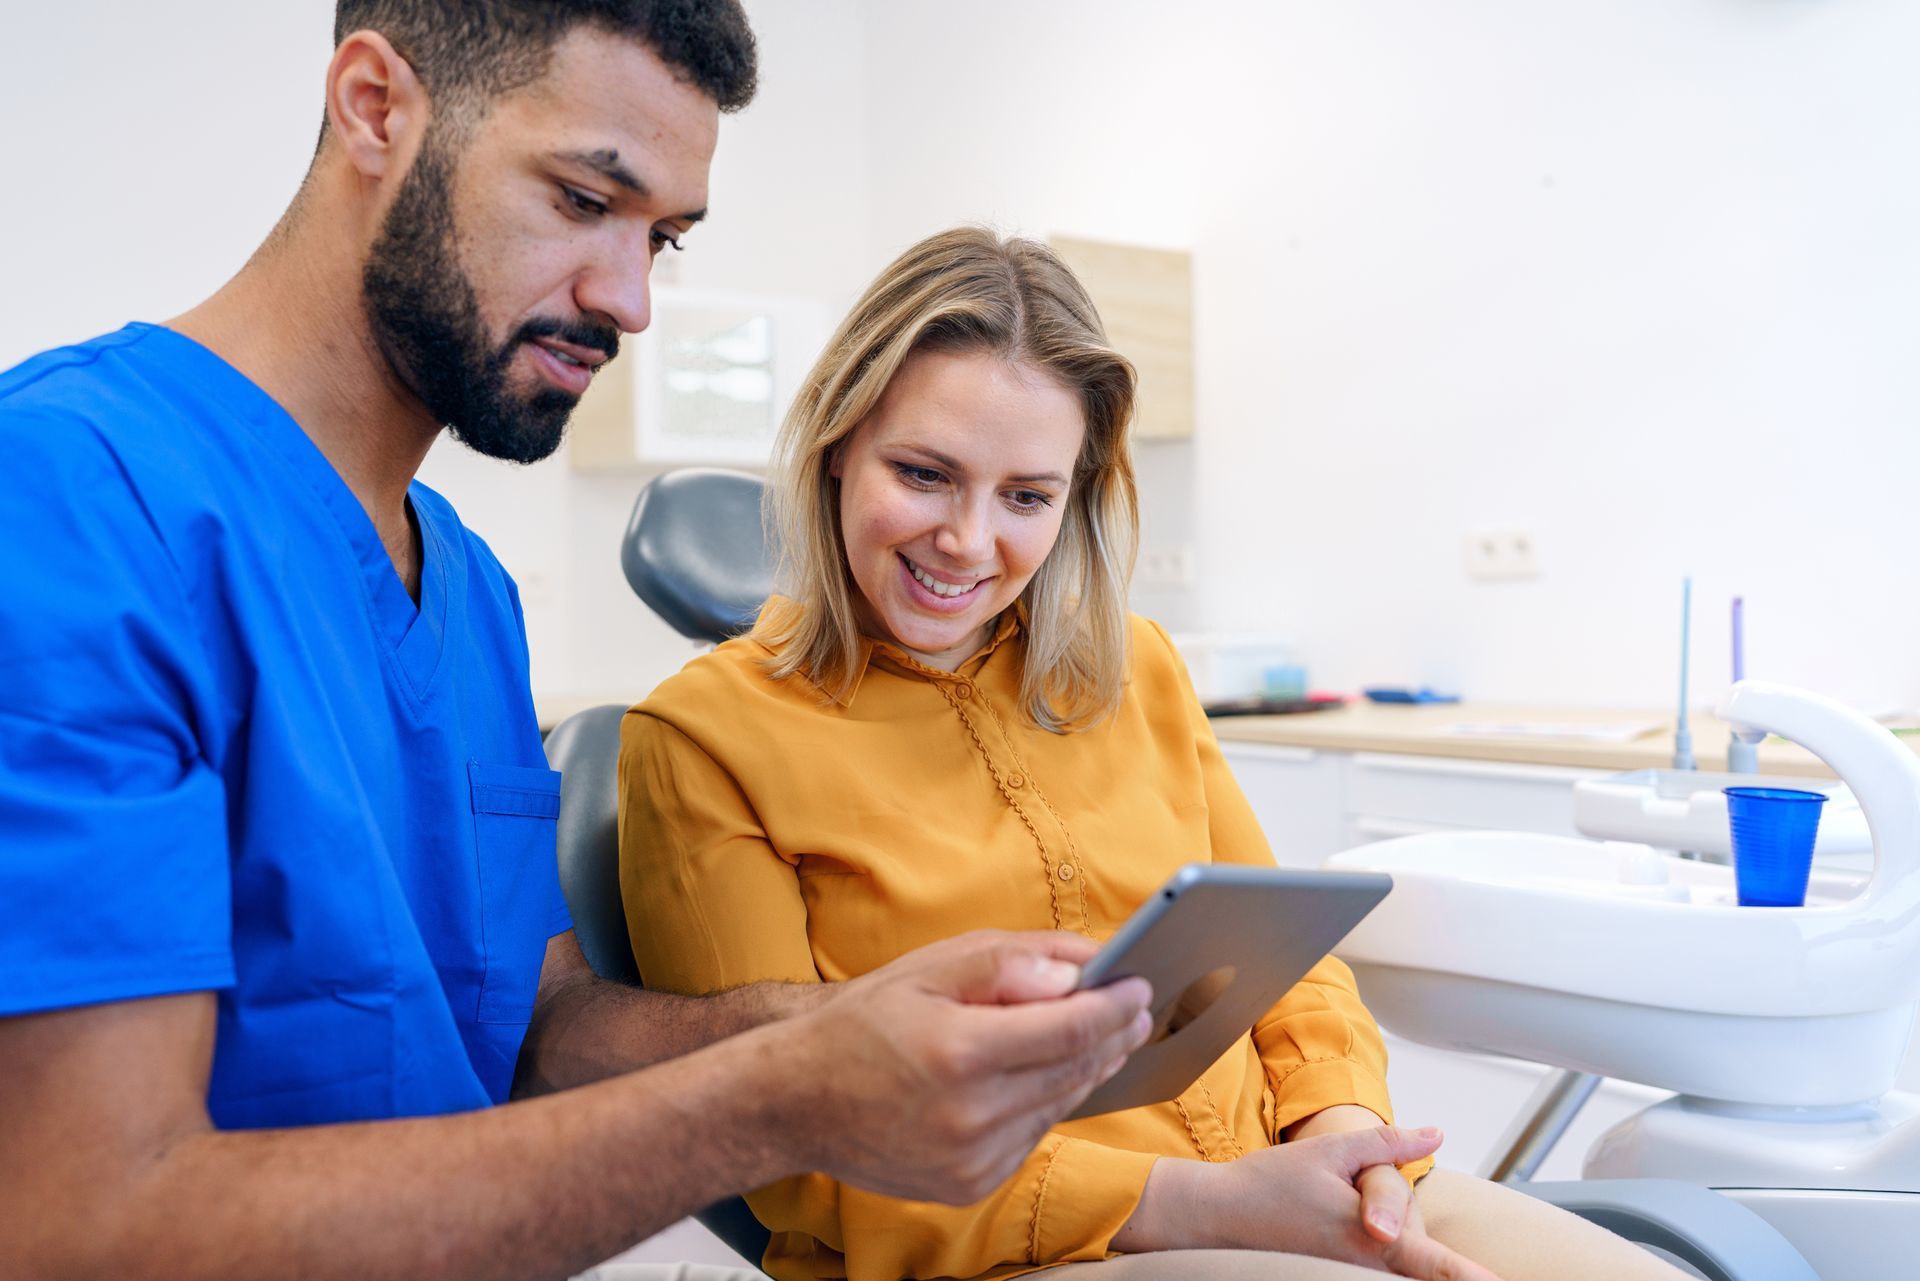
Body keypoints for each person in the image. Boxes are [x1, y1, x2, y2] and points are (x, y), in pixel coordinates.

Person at [0, 8, 1171, 1281]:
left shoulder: (465, 592)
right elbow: (81, 1219)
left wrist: (852, 1025)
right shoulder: (66, 503)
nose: (629, 299)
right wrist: (781, 1096)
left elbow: (539, 1028)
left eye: (661, 238)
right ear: (376, 106)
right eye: (580, 200)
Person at [618, 227, 1694, 1281]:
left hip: (1274, 1182)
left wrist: (1346, 1131)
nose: (968, 541)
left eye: (1027, 497)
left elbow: (1285, 959)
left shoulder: (1133, 667)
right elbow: (787, 1147)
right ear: (838, 445)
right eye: (926, 473)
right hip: (989, 1252)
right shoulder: (703, 740)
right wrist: (1202, 1206)